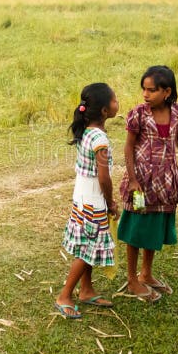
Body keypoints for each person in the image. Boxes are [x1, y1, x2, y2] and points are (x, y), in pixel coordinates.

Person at [118, 65, 178, 302]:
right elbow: (129, 146)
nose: (145, 94)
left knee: (153, 225)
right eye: (144, 89)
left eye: (151, 90)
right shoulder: (138, 114)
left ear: (167, 91)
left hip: (166, 181)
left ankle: (146, 273)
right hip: (141, 181)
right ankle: (132, 278)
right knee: (136, 228)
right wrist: (132, 179)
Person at [54, 83, 120, 319]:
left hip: (82, 197)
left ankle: (86, 290)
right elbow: (104, 177)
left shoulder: (87, 131)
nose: (117, 103)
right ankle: (65, 295)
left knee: (87, 245)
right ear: (104, 111)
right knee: (88, 249)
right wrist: (111, 202)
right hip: (93, 199)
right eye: (114, 100)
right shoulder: (99, 139)